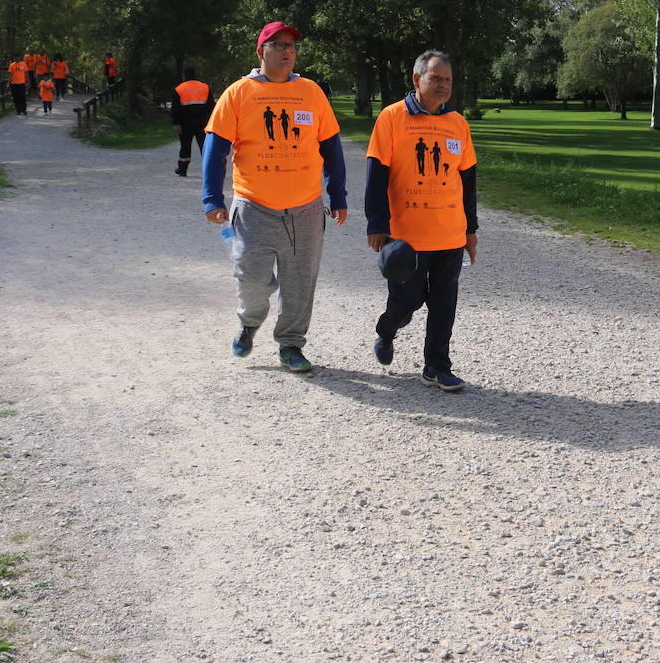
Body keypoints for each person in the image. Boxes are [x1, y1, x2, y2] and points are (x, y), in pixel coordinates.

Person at [202, 21, 348, 373]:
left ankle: (291, 345)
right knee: (251, 278)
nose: (287, 51)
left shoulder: (311, 92)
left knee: (300, 282)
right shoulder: (239, 92)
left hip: (306, 208)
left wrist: (338, 194)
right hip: (254, 207)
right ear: (261, 50)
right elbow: (215, 146)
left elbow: (331, 147)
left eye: (292, 46)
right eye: (279, 44)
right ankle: (250, 321)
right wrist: (212, 197)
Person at [365, 50, 477, 391]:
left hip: (449, 234)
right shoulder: (392, 118)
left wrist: (470, 230)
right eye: (435, 78)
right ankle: (387, 330)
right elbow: (376, 175)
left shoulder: (457, 123)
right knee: (407, 303)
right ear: (417, 79)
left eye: (448, 80)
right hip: (406, 237)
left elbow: (468, 181)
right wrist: (376, 224)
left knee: (444, 303)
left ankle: (437, 366)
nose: (443, 85)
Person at [172, 64, 213, 177]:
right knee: (204, 146)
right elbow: (211, 106)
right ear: (196, 74)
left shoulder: (179, 89)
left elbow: (175, 109)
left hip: (185, 123)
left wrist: (176, 123)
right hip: (202, 122)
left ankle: (182, 169)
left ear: (184, 75)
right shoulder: (205, 87)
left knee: (185, 146)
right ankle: (209, 170)